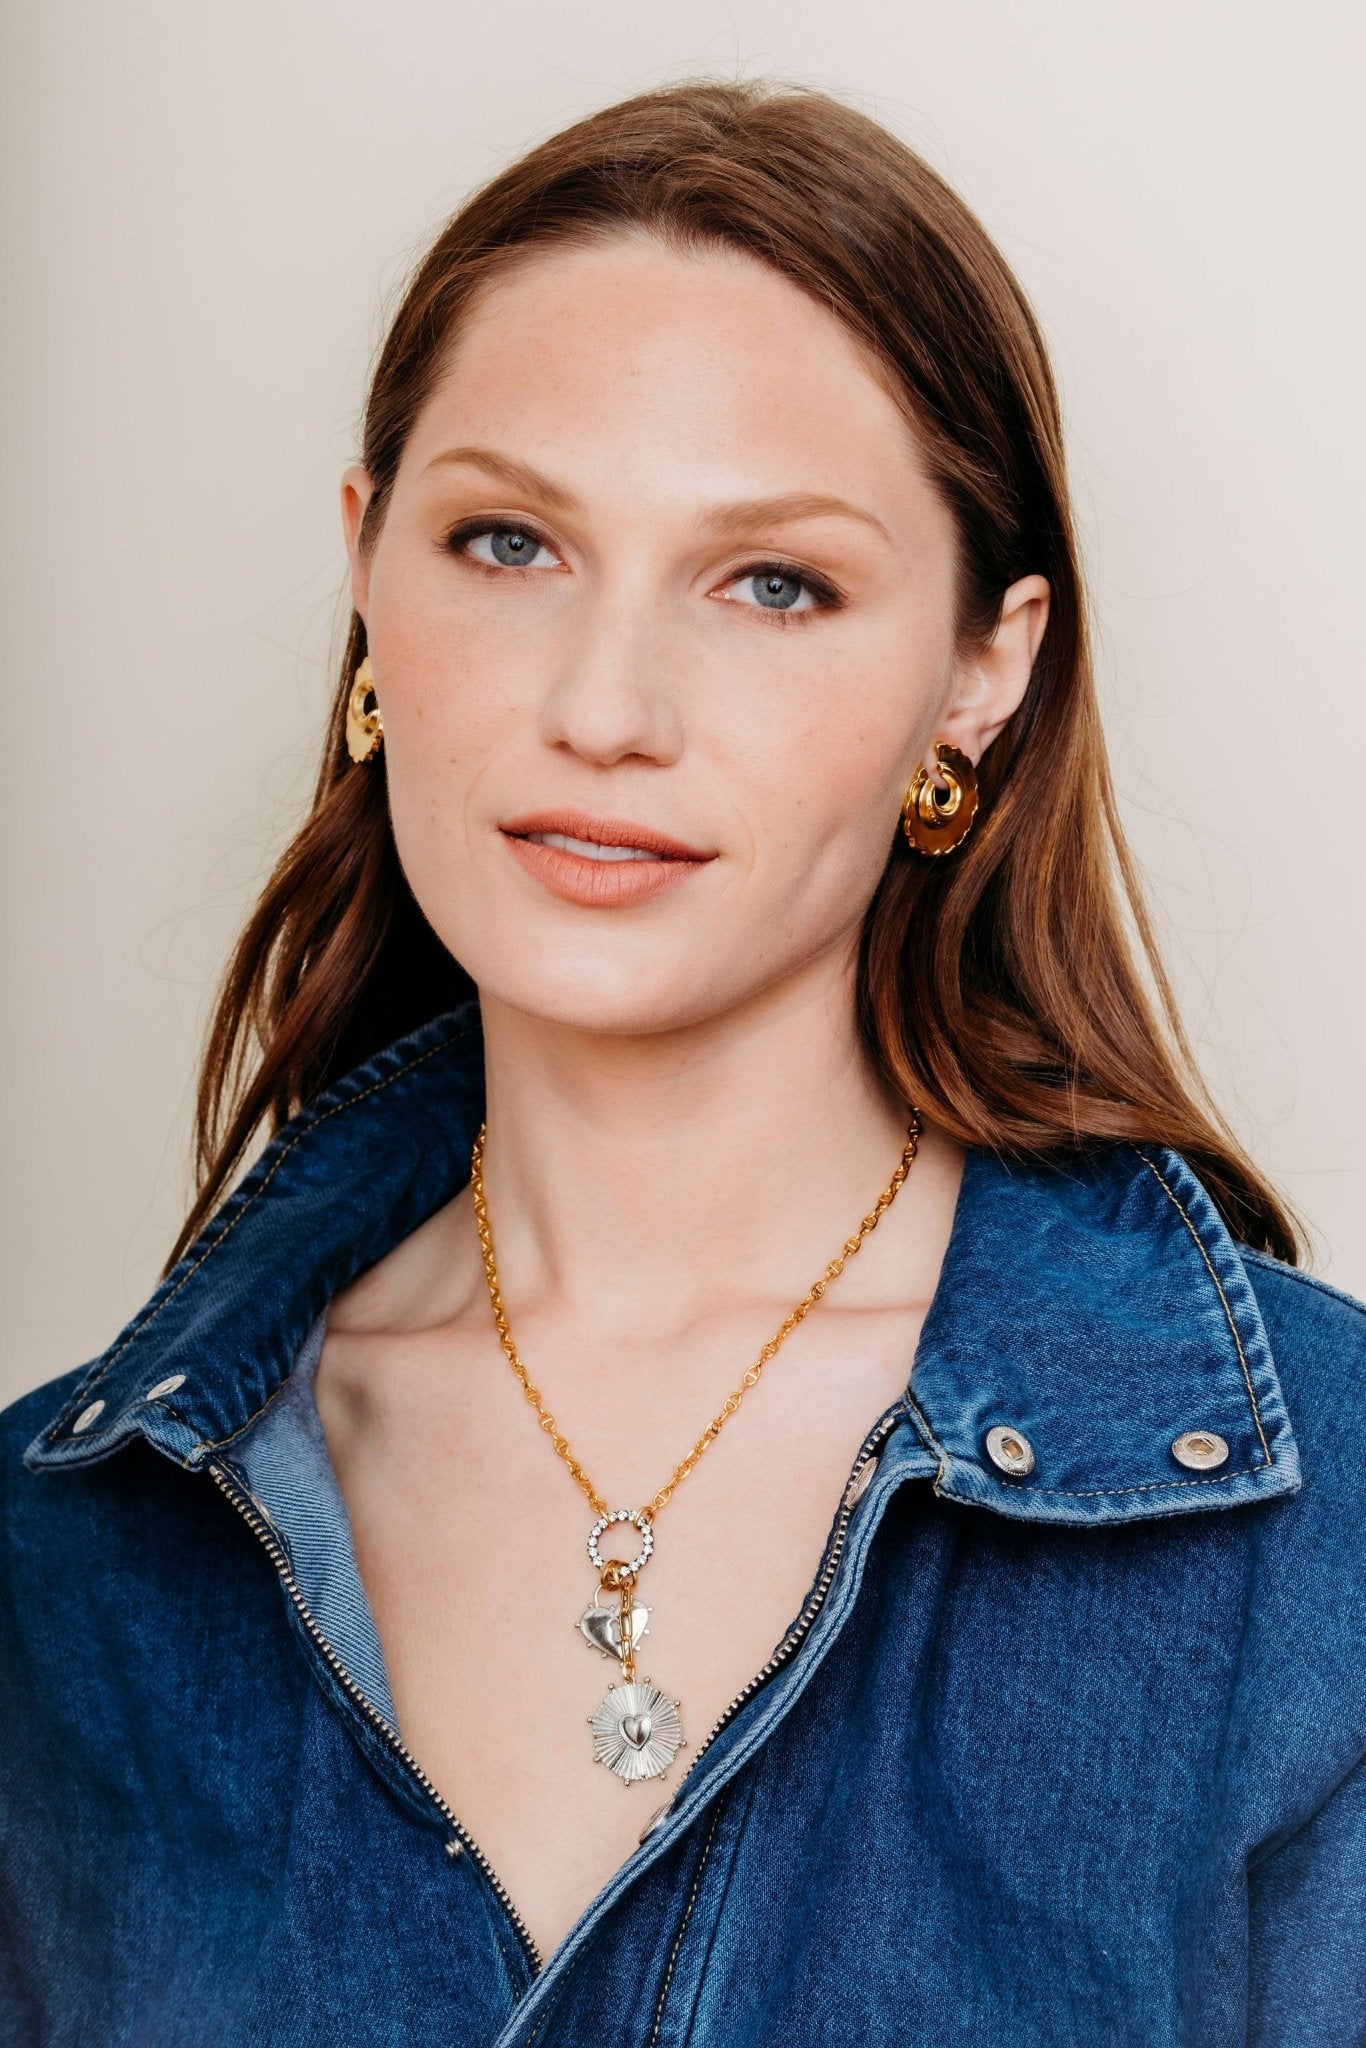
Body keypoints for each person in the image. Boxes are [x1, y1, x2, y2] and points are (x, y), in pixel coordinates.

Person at [2, 75, 1362, 2048]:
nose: (604, 705)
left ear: (981, 666)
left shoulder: (1315, 1541)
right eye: (507, 542)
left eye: (773, 583)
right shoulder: (61, 1561)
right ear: (367, 570)